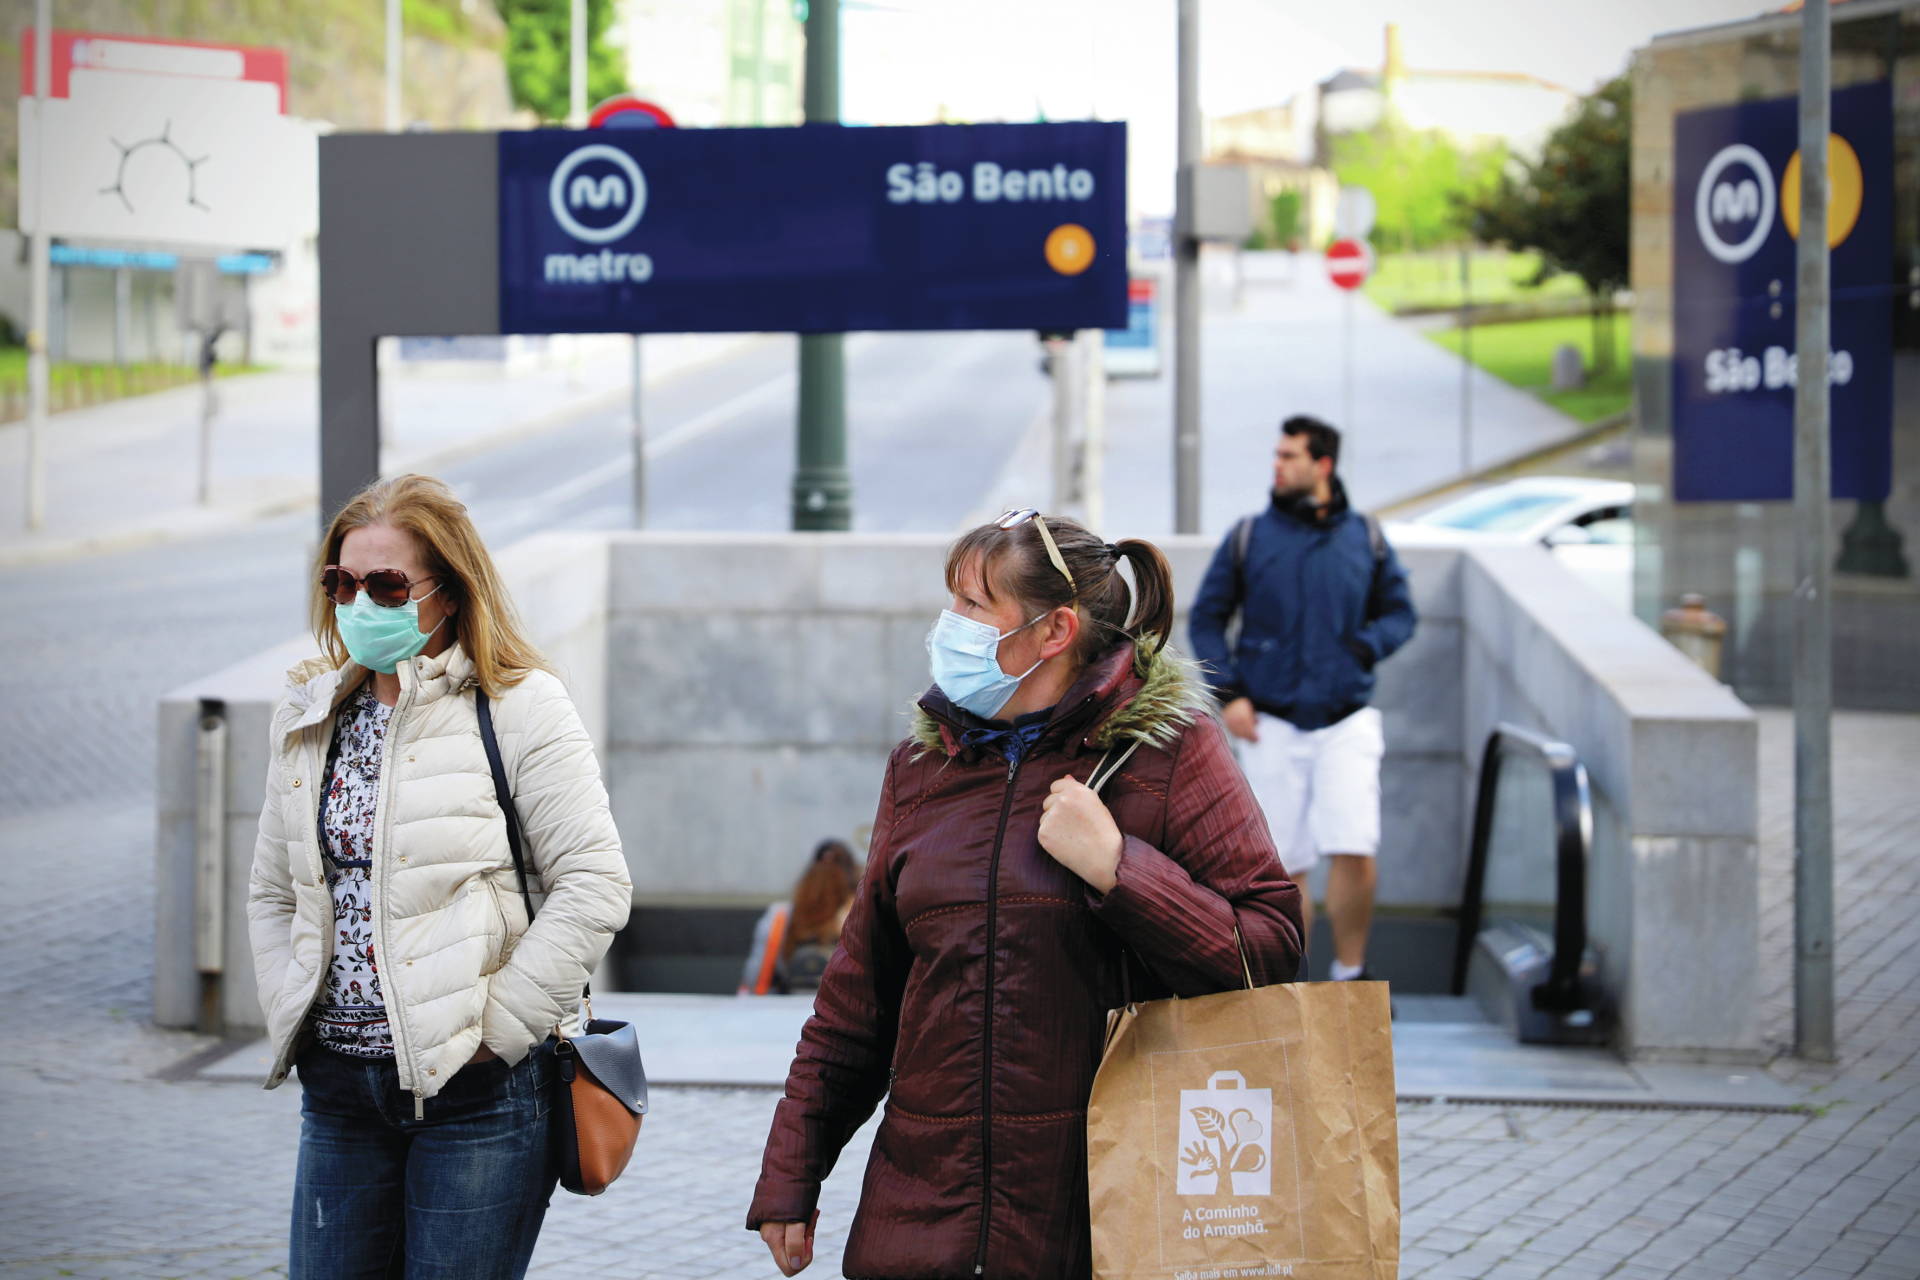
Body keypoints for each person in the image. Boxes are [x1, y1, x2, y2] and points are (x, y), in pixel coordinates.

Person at [748, 510, 1305, 1279]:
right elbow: (857, 999)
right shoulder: (920, 767)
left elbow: (1269, 949)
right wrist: (792, 1172)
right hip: (919, 1226)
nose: (950, 627)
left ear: (1055, 631)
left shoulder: (1172, 751)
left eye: (974, 608)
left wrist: (1121, 870)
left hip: (1095, 1226)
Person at [247, 474, 632, 1280]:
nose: (360, 601)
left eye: (385, 584)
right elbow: (274, 891)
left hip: (478, 1098)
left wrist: (494, 1037)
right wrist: (294, 1004)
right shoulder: (309, 714)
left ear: (448, 594)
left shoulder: (521, 705)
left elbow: (594, 881)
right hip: (339, 1093)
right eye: (342, 582)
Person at [1189, 416, 1417, 983]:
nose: (1277, 464)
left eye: (1289, 455)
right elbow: (1208, 618)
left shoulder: (1364, 535)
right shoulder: (1250, 536)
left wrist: (1364, 647)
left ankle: (1351, 975)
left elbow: (1401, 613)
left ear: (1322, 465)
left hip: (1347, 719)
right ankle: (1292, 986)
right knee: (1283, 866)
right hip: (1270, 724)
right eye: (1276, 454)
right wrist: (1232, 693)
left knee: (1355, 845)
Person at [739, 839, 862, 996]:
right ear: (853, 879)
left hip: (785, 1007)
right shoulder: (857, 918)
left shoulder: (779, 916)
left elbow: (755, 976)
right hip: (840, 1010)